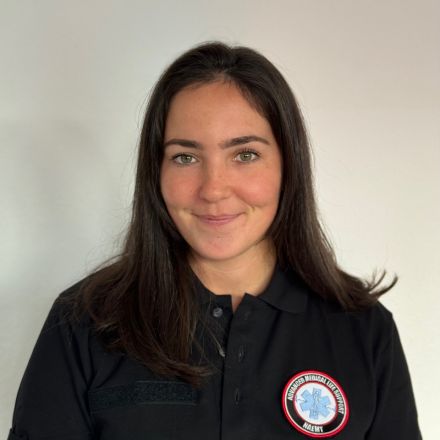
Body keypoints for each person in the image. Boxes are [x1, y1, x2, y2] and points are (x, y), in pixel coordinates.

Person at [9, 42, 421, 439]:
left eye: (245, 155)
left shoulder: (363, 331)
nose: (213, 189)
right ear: (156, 172)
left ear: (288, 165)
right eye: (185, 157)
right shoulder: (84, 322)